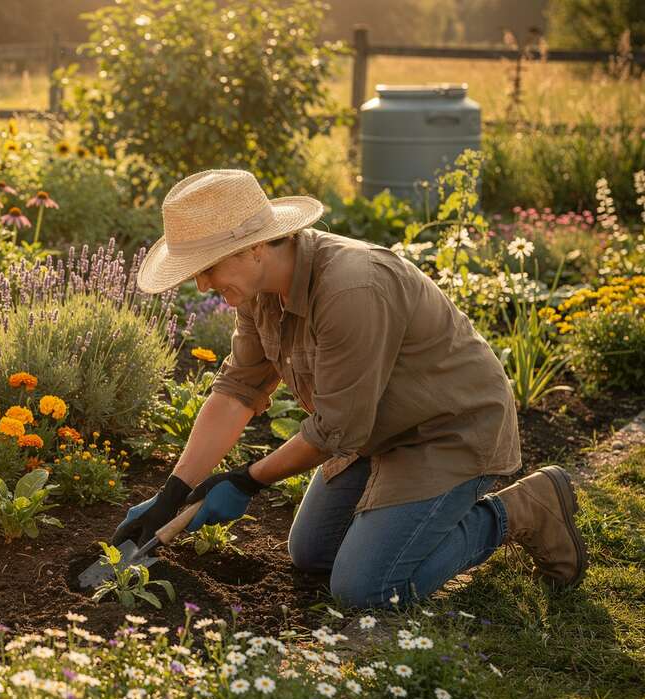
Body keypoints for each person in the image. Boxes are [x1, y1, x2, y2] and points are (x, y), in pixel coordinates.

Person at [113, 169, 587, 608]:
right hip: (375, 431)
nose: (201, 282)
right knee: (312, 553)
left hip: (447, 430)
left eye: (208, 267)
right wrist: (176, 490)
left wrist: (247, 480)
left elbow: (337, 427)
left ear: (254, 248)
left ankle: (522, 508)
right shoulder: (257, 294)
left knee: (365, 590)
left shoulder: (350, 288)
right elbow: (238, 388)